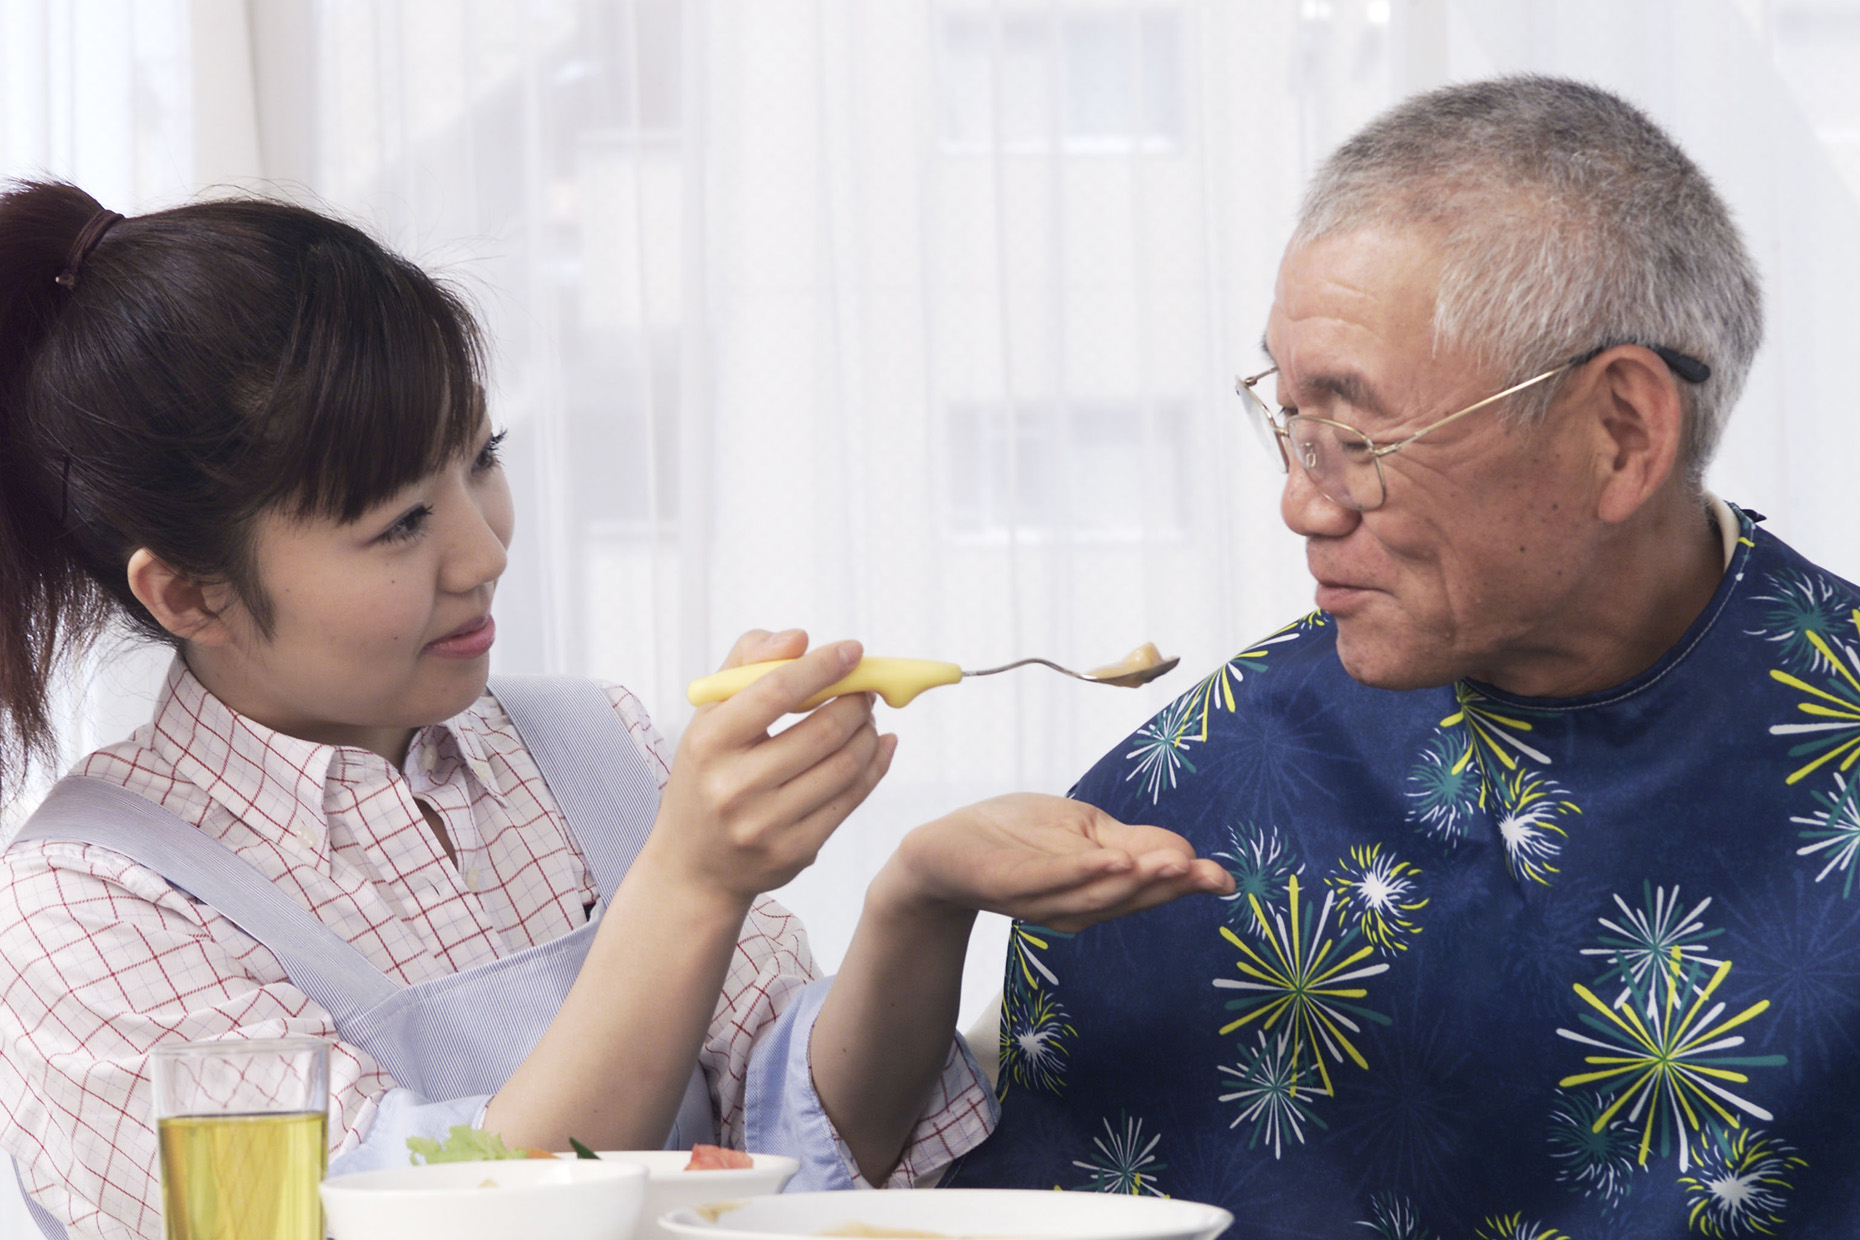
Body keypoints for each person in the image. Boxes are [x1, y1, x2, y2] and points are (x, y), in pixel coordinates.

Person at [0, 182, 1234, 1240]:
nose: (482, 551)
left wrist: (920, 901)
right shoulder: (88, 911)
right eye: (398, 524)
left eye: (479, 459)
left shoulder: (599, 743)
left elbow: (792, 1149)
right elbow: (430, 1221)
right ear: (194, 592)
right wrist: (689, 885)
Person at [949, 75, 1860, 1237]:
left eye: (1361, 436)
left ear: (1622, 433)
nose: (1300, 503)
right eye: (1290, 422)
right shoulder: (1188, 803)